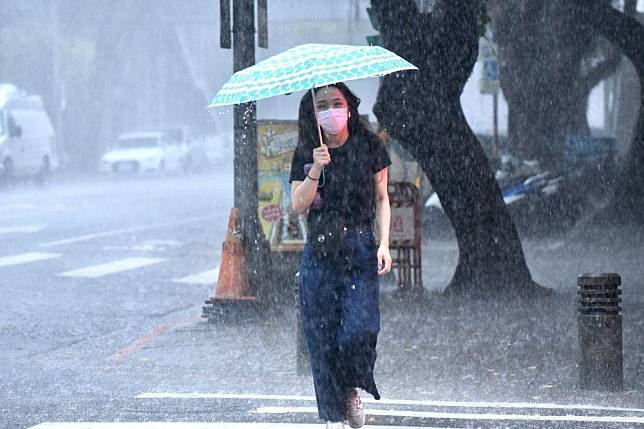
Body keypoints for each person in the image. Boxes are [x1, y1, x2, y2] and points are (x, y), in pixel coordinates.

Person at [289, 83, 392, 429]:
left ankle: (350, 386)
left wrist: (384, 244)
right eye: (322, 105)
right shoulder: (308, 149)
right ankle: (334, 416)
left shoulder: (369, 146)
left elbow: (382, 198)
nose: (330, 110)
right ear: (313, 112)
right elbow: (298, 205)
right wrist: (315, 169)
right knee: (322, 338)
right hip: (320, 252)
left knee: (359, 330)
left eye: (336, 102)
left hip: (361, 249)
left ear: (348, 106)